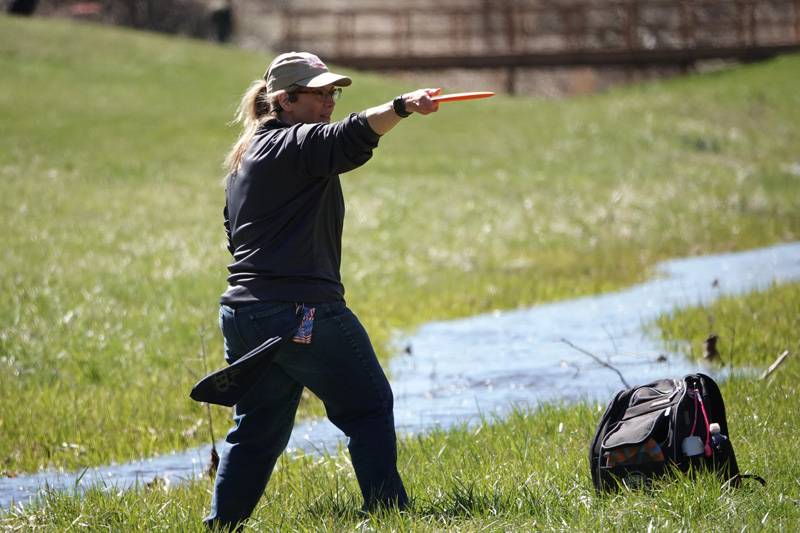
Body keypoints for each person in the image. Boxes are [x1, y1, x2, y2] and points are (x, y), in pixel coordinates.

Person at [205, 51, 440, 530]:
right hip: (300, 311)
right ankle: (390, 515)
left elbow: (234, 238)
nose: (330, 101)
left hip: (244, 315)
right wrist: (401, 106)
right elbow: (350, 136)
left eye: (334, 92)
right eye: (320, 93)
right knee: (368, 405)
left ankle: (221, 525)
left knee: (256, 431)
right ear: (286, 100)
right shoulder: (293, 144)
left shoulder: (248, 157)